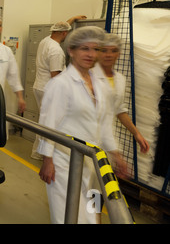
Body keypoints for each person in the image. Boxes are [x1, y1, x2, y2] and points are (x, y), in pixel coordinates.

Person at [37, 26, 128, 224]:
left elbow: (104, 124)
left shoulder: (101, 85)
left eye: (95, 49)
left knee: (89, 216)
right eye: (84, 49)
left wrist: (116, 154)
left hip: (91, 163)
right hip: (63, 163)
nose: (90, 54)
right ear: (71, 50)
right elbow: (48, 124)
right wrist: (47, 160)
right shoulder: (60, 84)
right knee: (65, 217)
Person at [31, 16, 86, 159]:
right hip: (48, 90)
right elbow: (56, 76)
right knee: (50, 125)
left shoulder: (46, 40)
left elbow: (62, 27)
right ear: (64, 34)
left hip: (39, 86)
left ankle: (37, 152)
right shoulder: (56, 51)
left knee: (44, 122)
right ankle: (43, 154)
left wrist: (73, 19)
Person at [92, 33, 150, 153]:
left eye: (113, 51)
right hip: (84, 137)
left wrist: (136, 134)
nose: (108, 55)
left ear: (118, 54)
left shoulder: (120, 79)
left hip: (107, 137)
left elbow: (119, 109)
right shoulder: (88, 76)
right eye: (104, 50)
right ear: (97, 53)